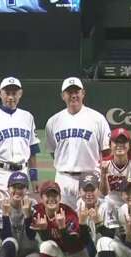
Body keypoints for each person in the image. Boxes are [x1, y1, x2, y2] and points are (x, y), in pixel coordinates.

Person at [0, 77, 40, 225]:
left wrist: (34, 177)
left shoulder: (27, 117)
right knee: (0, 217)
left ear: (20, 94)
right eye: (7, 92)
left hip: (22, 170)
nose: (11, 96)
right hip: (0, 173)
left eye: (14, 92)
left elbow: (32, 149)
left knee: (22, 216)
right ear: (0, 93)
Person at [45, 77, 110, 210]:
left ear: (83, 93)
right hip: (64, 178)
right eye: (69, 92)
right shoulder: (53, 121)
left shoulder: (97, 119)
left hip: (91, 177)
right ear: (63, 95)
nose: (73, 95)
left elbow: (106, 151)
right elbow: (53, 151)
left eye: (77, 91)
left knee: (92, 219)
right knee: (64, 220)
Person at [30, 180, 89, 257]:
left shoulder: (69, 214)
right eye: (48, 195)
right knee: (46, 245)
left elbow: (72, 245)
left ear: (60, 197)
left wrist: (62, 228)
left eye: (55, 195)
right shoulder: (37, 211)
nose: (51, 199)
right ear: (41, 198)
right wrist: (41, 229)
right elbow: (35, 236)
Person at [0, 172, 39, 257]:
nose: (18, 191)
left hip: (29, 251)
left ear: (27, 189)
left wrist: (27, 215)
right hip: (10, 251)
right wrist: (5, 215)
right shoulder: (1, 205)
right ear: (8, 189)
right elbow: (5, 237)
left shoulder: (33, 205)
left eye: (21, 187)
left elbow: (31, 236)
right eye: (14, 187)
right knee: (10, 243)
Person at [99, 127, 131, 209]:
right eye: (116, 142)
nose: (120, 145)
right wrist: (103, 174)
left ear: (129, 145)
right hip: (110, 204)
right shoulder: (104, 164)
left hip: (130, 204)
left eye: (124, 142)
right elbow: (104, 193)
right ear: (110, 145)